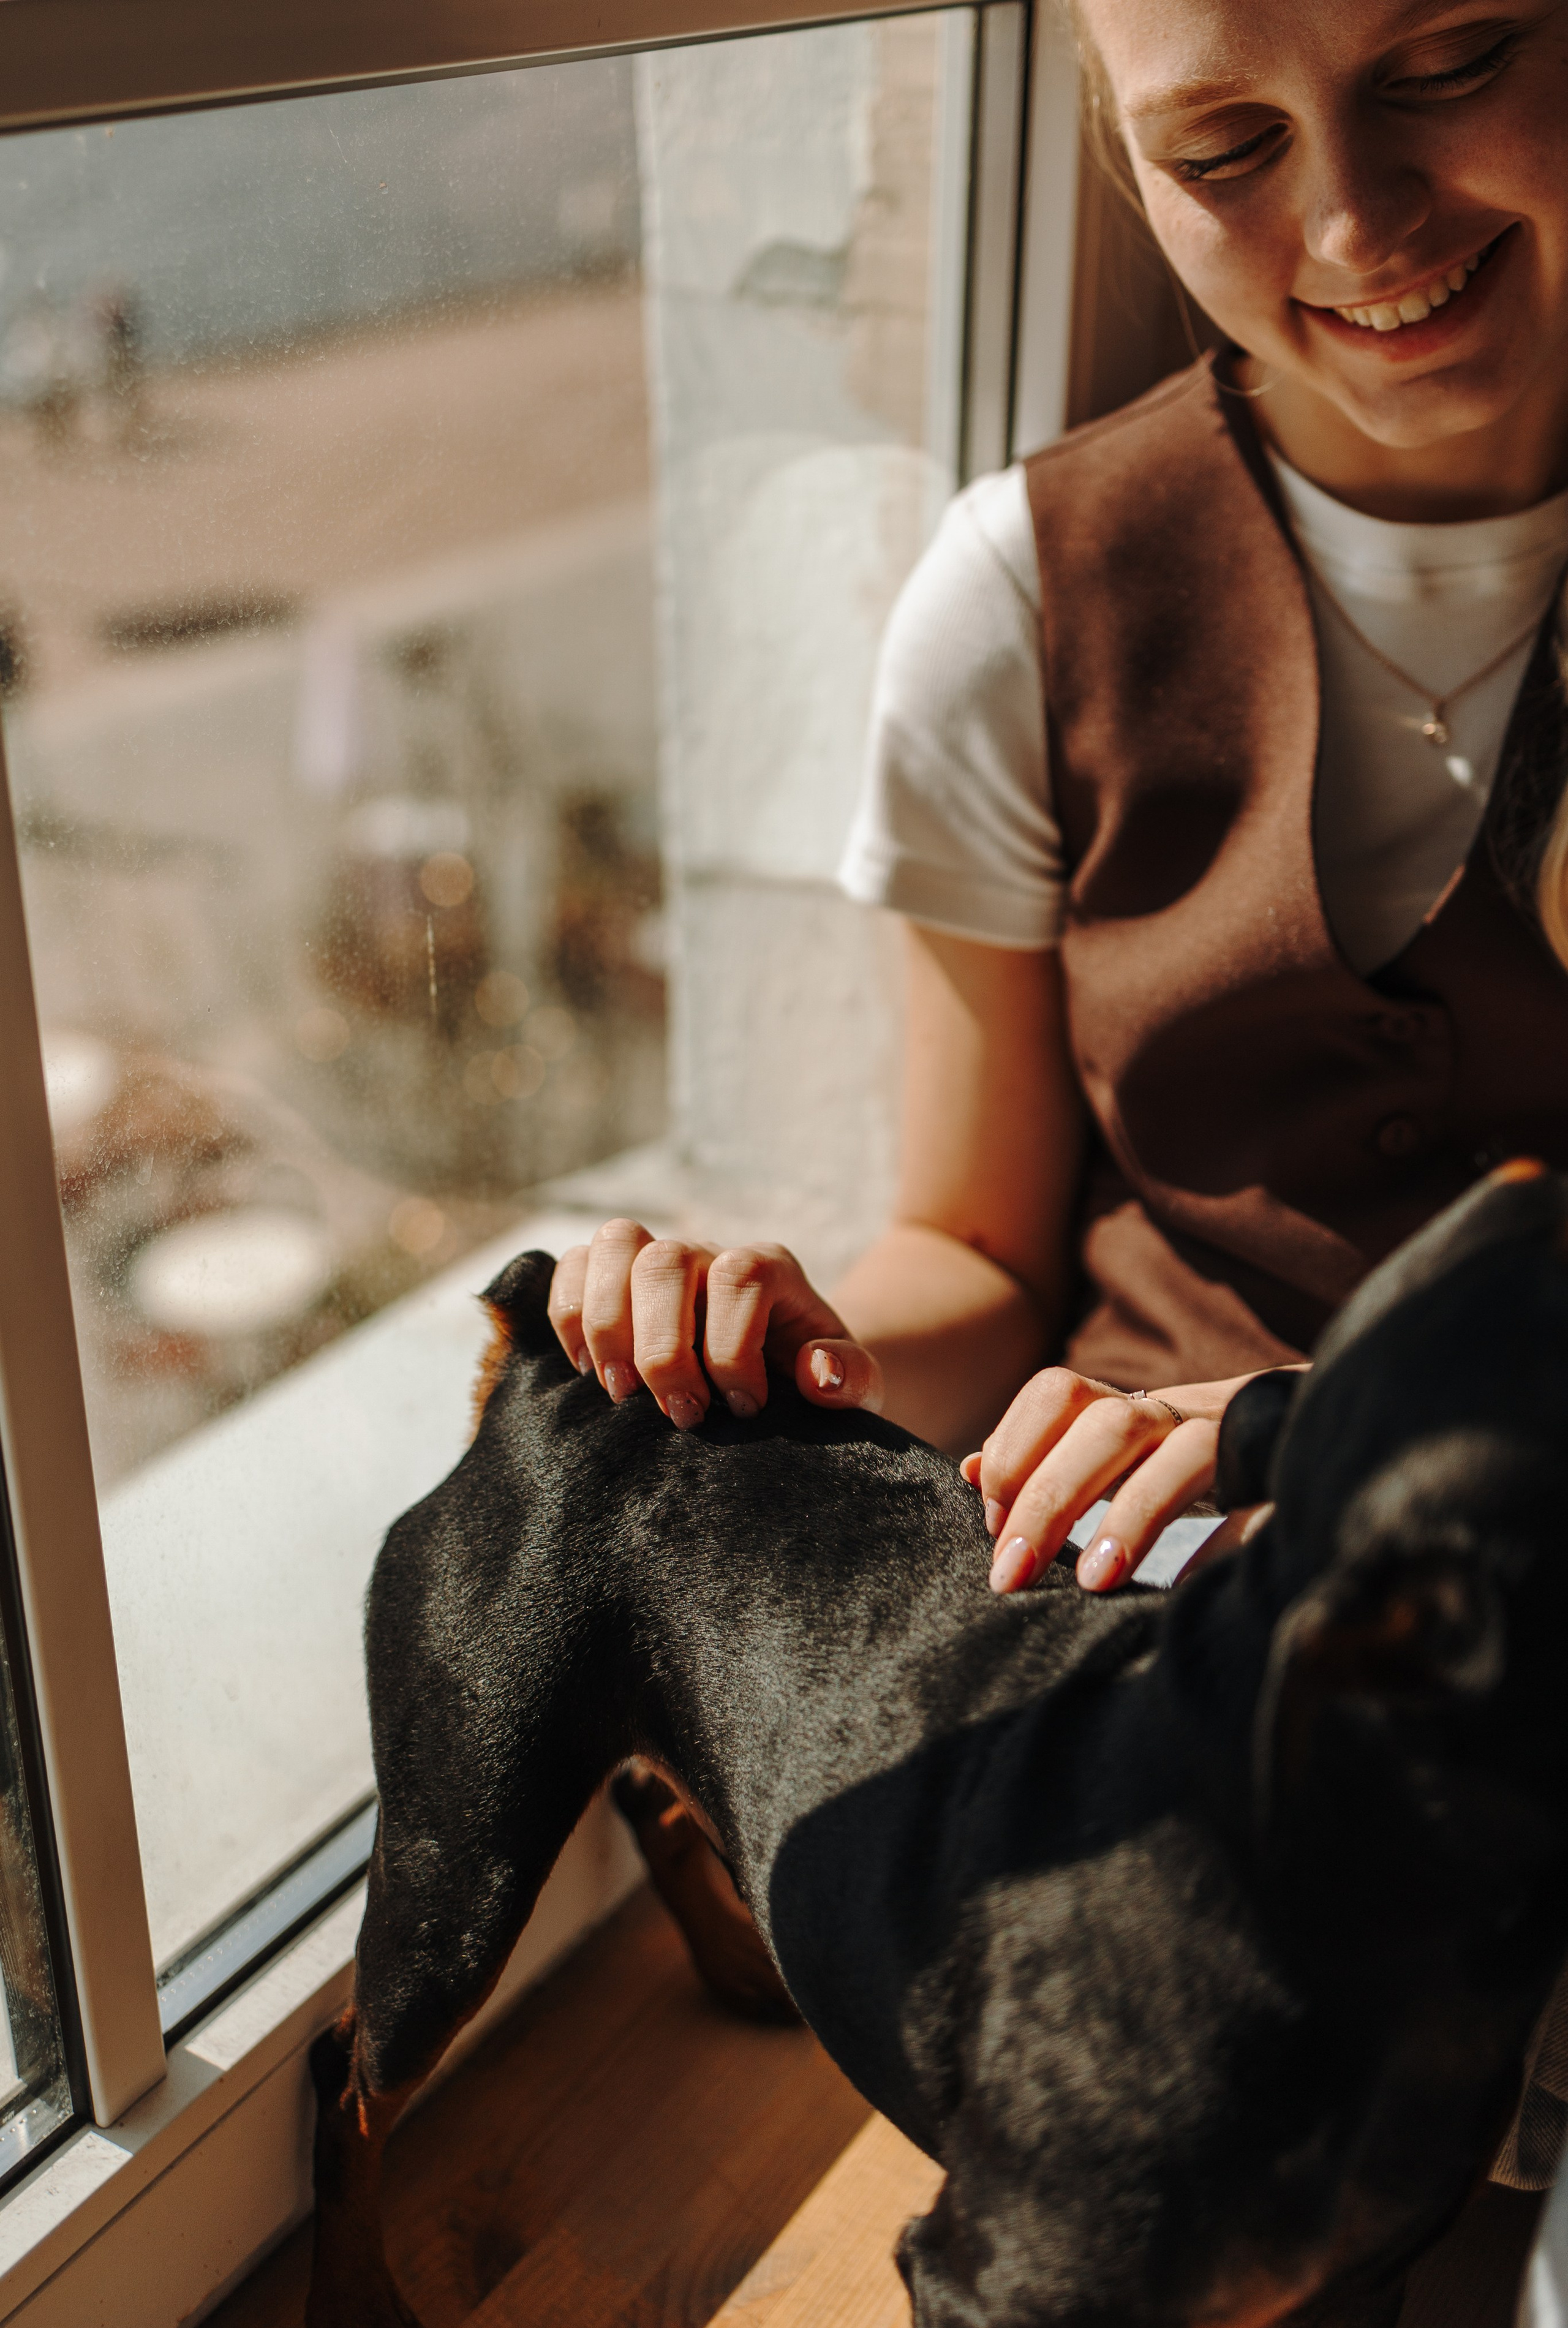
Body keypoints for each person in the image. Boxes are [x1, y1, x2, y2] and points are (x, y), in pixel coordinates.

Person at [548, 0, 1568, 1607]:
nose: (1358, 226)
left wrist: (1349, 1423)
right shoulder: (1024, 594)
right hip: (1146, 1643)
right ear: (1125, 160)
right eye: (1222, 148)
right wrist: (785, 1358)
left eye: (1447, 69)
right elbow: (979, 1255)